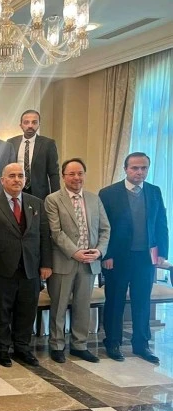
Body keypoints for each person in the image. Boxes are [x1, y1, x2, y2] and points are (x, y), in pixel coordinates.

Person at [0, 163, 52, 368]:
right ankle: (1, 349)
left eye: (20, 176)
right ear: (3, 180)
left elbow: (44, 235)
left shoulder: (36, 203)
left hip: (30, 268)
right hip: (1, 269)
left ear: (25, 180)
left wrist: (46, 264)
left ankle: (22, 348)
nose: (17, 179)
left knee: (26, 311)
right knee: (1, 312)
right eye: (12, 176)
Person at [99, 152, 169, 364]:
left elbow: (161, 223)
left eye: (143, 168)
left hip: (145, 258)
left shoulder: (154, 191)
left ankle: (141, 344)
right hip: (117, 258)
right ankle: (112, 341)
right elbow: (103, 227)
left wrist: (162, 254)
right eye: (135, 168)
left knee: (142, 301)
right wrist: (107, 254)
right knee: (115, 301)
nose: (139, 172)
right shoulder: (108, 193)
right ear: (126, 169)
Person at [45, 158, 110, 363]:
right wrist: (75, 252)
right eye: (71, 174)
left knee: (83, 306)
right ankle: (57, 345)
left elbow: (105, 229)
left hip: (90, 262)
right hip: (64, 261)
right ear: (63, 176)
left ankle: (79, 345)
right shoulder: (53, 199)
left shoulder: (94, 199)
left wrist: (99, 251)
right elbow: (56, 232)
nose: (76, 177)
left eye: (80, 173)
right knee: (59, 306)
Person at [8, 110, 60, 199]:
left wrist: (56, 197)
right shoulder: (11, 143)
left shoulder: (48, 144)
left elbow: (53, 173)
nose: (30, 126)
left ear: (39, 124)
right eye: (26, 122)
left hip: (39, 193)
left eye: (34, 122)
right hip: (16, 190)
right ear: (21, 125)